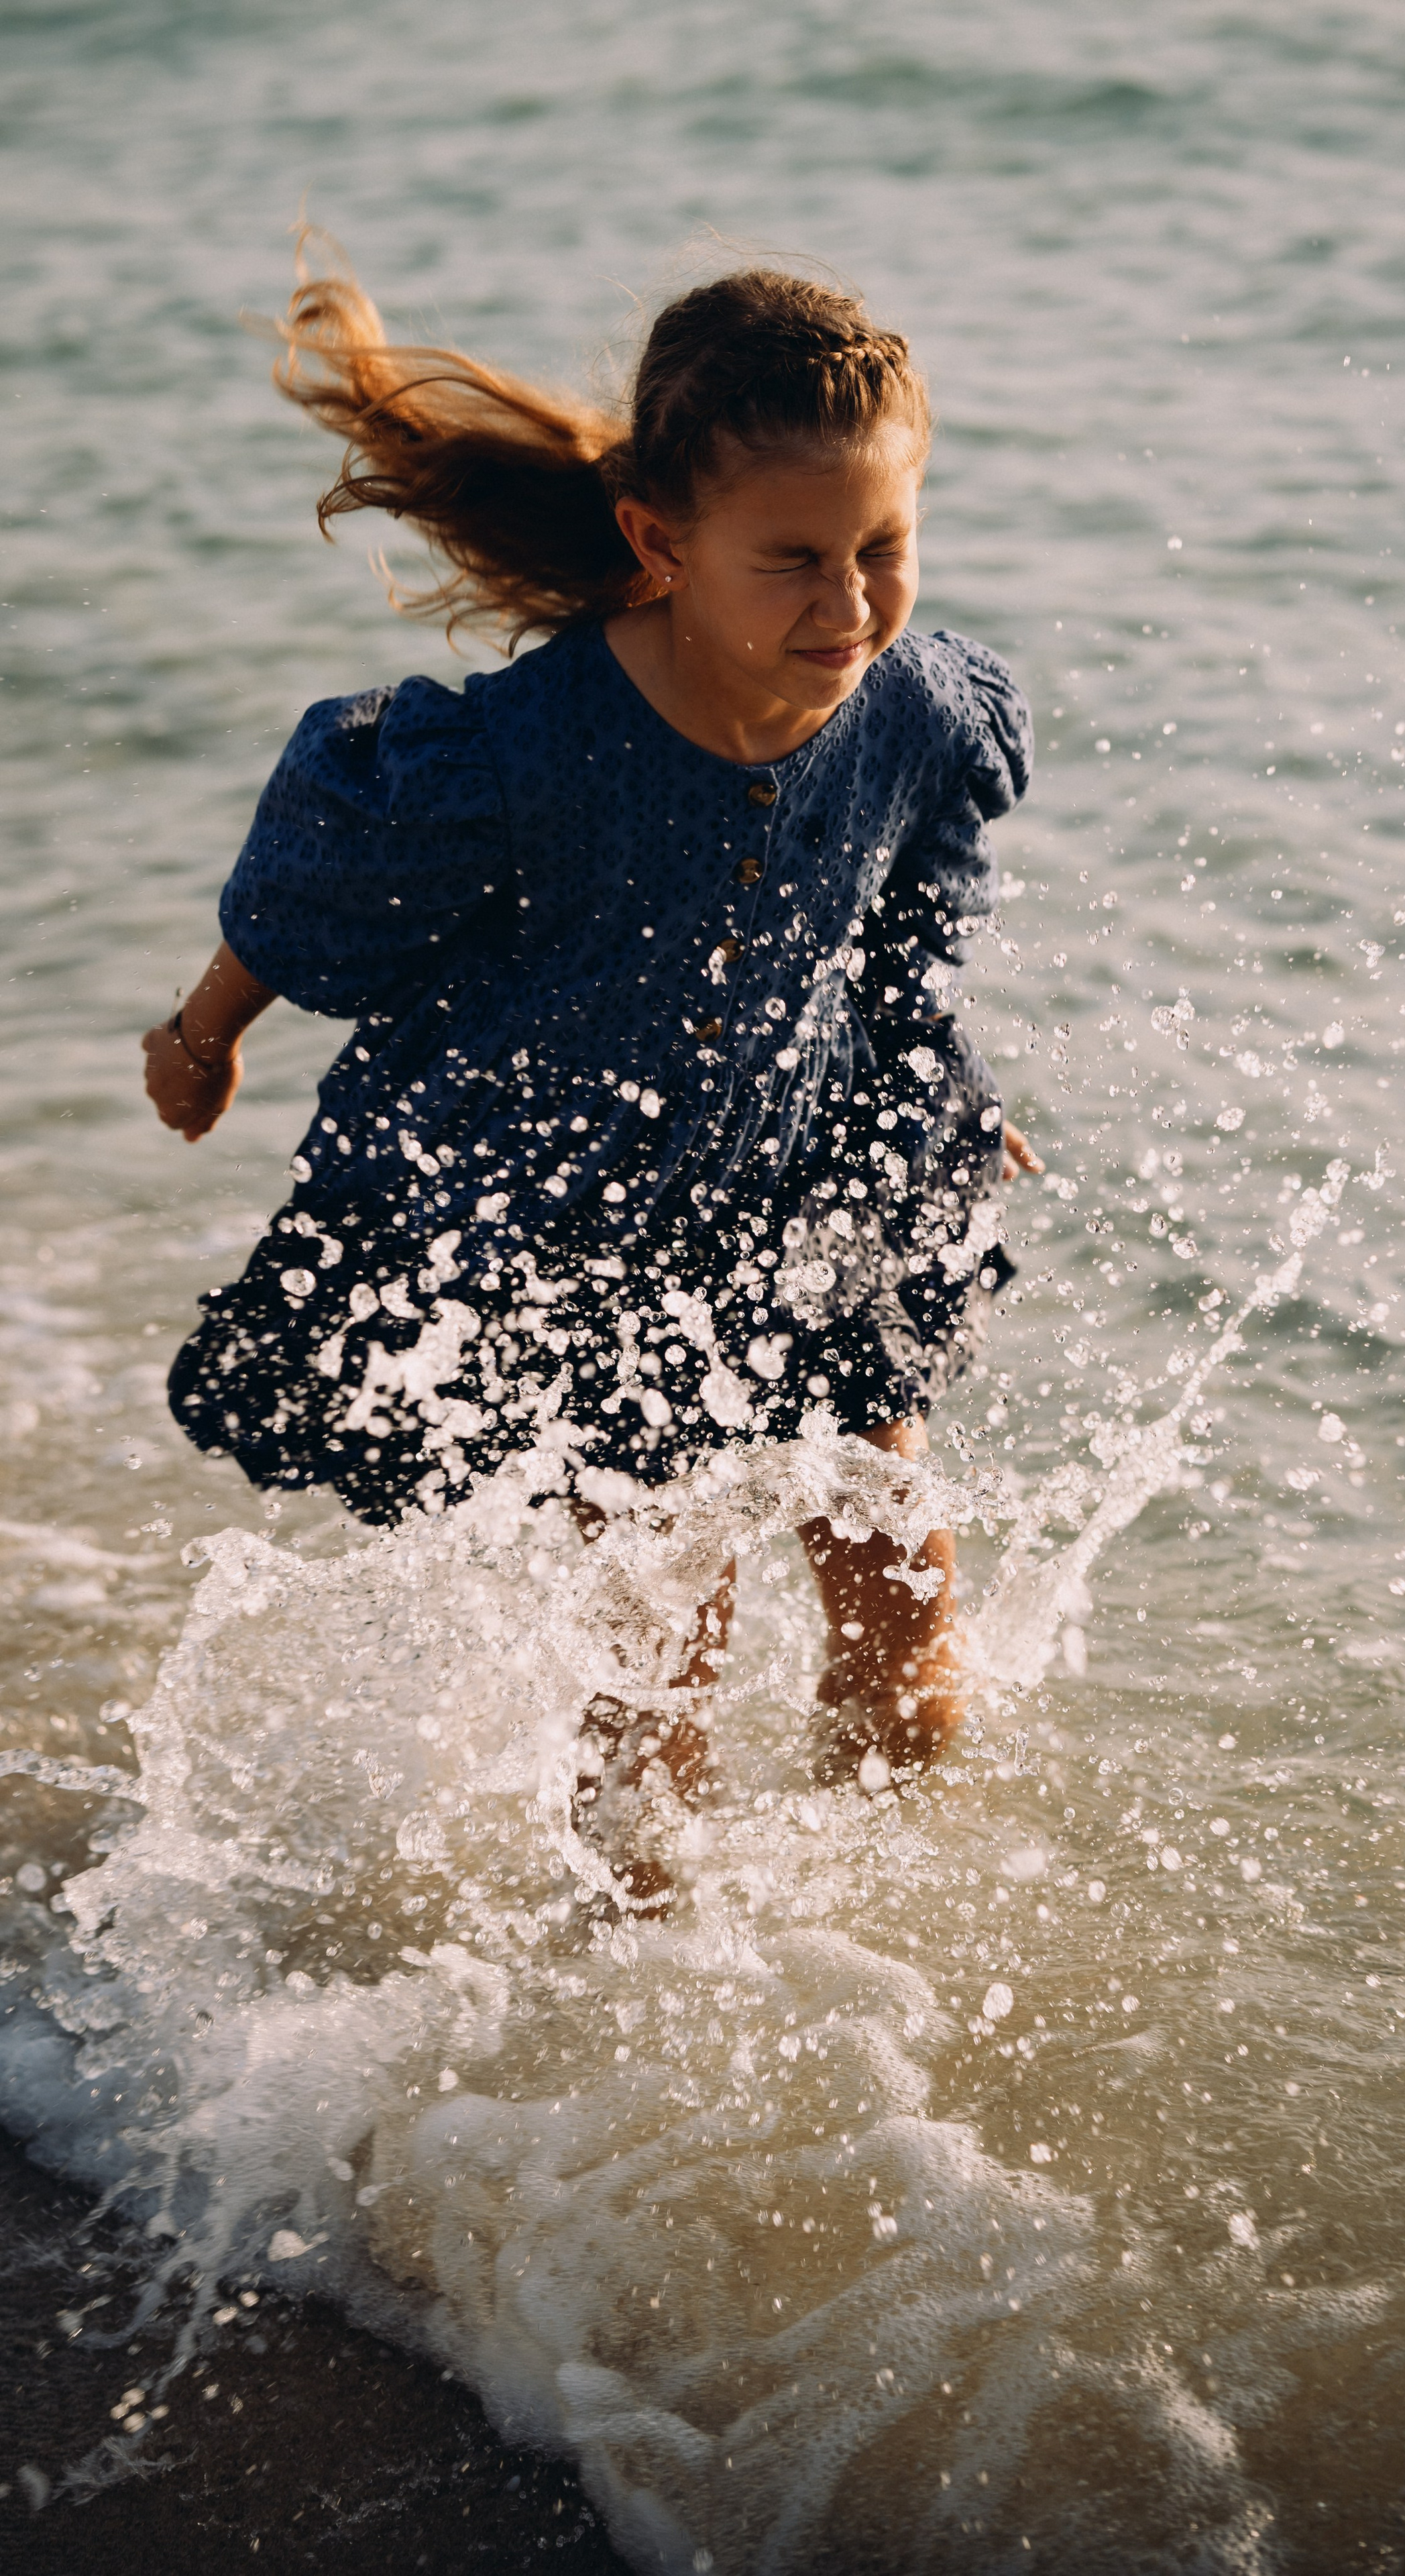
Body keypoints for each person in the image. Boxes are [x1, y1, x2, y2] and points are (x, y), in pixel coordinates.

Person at [143, 244, 1037, 1895]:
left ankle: (879, 1960)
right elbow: (314, 886)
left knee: (903, 1586)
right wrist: (204, 1035)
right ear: (658, 544)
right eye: (794, 560)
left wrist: (939, 1066)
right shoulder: (515, 751)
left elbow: (924, 900)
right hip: (579, 1226)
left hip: (813, 1171)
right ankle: (629, 2005)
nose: (849, 604)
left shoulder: (913, 705)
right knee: (661, 1650)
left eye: (883, 548)